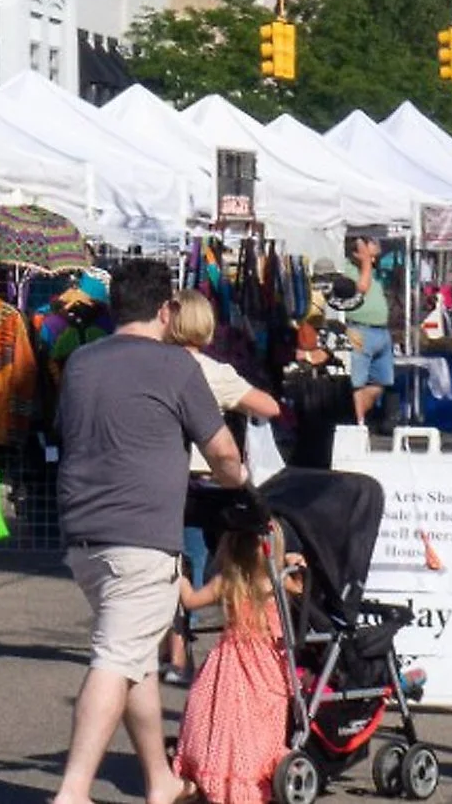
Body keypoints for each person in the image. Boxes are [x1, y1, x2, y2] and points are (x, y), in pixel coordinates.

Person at [48, 260, 248, 804]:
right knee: (117, 657)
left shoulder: (83, 362)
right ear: (167, 310)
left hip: (84, 534)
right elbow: (222, 451)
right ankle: (72, 791)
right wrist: (239, 481)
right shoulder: (176, 366)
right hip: (142, 535)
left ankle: (160, 779)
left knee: (134, 654)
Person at [166, 290, 283, 683]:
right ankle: (236, 650)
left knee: (182, 566)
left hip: (164, 482)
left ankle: (178, 656)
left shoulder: (154, 365)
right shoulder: (215, 372)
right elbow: (270, 407)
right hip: (210, 481)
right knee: (224, 563)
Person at [174, 526, 292, 804]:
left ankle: (210, 770)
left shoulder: (227, 581)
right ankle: (252, 774)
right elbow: (306, 590)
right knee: (258, 725)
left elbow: (190, 600)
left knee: (217, 716)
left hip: (228, 663)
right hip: (267, 665)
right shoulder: (277, 582)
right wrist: (295, 565)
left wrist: (178, 575)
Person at [342, 234, 395, 426]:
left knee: (381, 382)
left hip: (381, 332)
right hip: (359, 330)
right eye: (369, 241)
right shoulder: (347, 268)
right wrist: (364, 259)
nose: (375, 243)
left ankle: (353, 415)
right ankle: (358, 424)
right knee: (358, 382)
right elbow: (361, 288)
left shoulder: (374, 270)